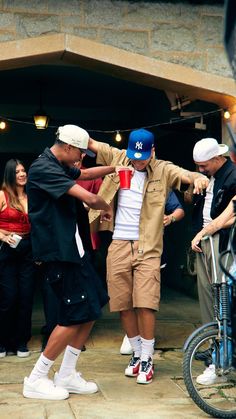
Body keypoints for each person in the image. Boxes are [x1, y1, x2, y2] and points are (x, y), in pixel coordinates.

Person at [88, 128, 208, 385]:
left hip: (149, 246)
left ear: (153, 152)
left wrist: (197, 177)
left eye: (143, 156)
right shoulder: (119, 158)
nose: (137, 161)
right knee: (121, 303)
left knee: (145, 302)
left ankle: (147, 358)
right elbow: (91, 143)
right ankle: (136, 352)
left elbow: (184, 174)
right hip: (119, 242)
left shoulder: (163, 169)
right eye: (134, 156)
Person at [23, 124, 120, 401]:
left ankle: (67, 373)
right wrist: (108, 206)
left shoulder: (58, 162)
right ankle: (37, 377)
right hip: (59, 254)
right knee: (71, 316)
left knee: (92, 306)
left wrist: (116, 169)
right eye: (80, 151)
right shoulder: (43, 168)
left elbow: (86, 174)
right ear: (67, 147)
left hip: (76, 251)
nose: (82, 157)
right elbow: (88, 196)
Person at [188, 137, 236, 385]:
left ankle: (222, 358)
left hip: (221, 243)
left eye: (204, 165)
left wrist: (205, 233)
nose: (200, 169)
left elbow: (228, 217)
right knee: (208, 297)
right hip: (206, 242)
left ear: (218, 158)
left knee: (222, 301)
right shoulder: (209, 177)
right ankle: (212, 347)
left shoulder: (232, 176)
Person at [120, 190, 185, 355]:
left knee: (146, 295)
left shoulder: (163, 184)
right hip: (125, 244)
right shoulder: (123, 182)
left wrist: (170, 218)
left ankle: (145, 337)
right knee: (126, 294)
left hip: (152, 246)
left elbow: (179, 209)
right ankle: (131, 334)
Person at [0, 159, 36, 358]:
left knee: (26, 296)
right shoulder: (2, 195)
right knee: (9, 297)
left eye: (23, 170)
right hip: (7, 250)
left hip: (28, 249)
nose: (22, 174)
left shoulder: (31, 196)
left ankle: (22, 341)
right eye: (17, 172)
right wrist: (3, 235)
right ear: (9, 175)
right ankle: (3, 342)